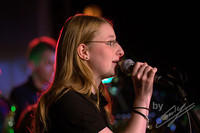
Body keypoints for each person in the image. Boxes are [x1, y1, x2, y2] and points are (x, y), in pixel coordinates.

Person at [35, 14, 157, 133]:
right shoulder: (69, 102)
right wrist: (142, 100)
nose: (121, 51)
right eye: (110, 42)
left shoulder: (93, 100)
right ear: (84, 51)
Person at [9, 36, 56, 131]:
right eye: (48, 63)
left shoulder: (55, 93)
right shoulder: (19, 94)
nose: (54, 69)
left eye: (55, 64)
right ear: (33, 64)